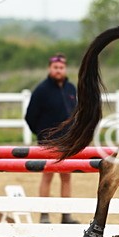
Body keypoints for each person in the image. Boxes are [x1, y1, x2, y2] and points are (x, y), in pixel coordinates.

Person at [25, 54, 78, 224]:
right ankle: (44, 215)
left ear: (65, 69)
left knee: (66, 177)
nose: (58, 70)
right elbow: (30, 116)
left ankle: (66, 215)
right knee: (47, 176)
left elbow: (77, 112)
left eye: (61, 67)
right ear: (50, 68)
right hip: (48, 142)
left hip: (67, 141)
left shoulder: (71, 88)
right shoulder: (41, 90)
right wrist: (41, 134)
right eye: (55, 68)